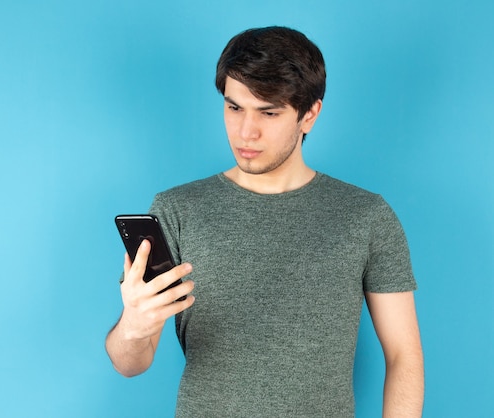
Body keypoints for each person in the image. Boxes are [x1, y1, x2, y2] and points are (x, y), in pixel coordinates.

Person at [105, 26, 424, 417]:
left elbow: (403, 355)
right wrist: (134, 325)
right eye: (234, 107)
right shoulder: (175, 209)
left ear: (309, 115)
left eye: (268, 113)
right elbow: (129, 363)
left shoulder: (366, 216)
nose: (245, 132)